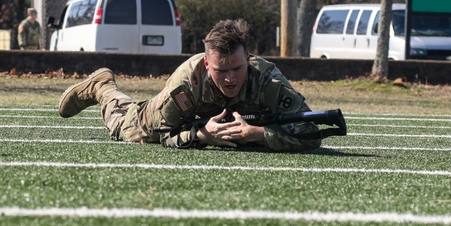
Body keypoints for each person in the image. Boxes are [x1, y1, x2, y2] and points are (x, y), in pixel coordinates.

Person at [58, 19, 322, 152]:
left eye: (237, 69)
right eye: (221, 71)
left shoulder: (268, 80)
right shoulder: (186, 82)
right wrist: (200, 136)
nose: (230, 78)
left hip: (222, 118)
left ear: (249, 60)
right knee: (125, 129)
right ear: (207, 65)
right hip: (174, 114)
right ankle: (102, 88)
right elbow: (164, 134)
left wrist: (257, 133)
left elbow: (312, 132)